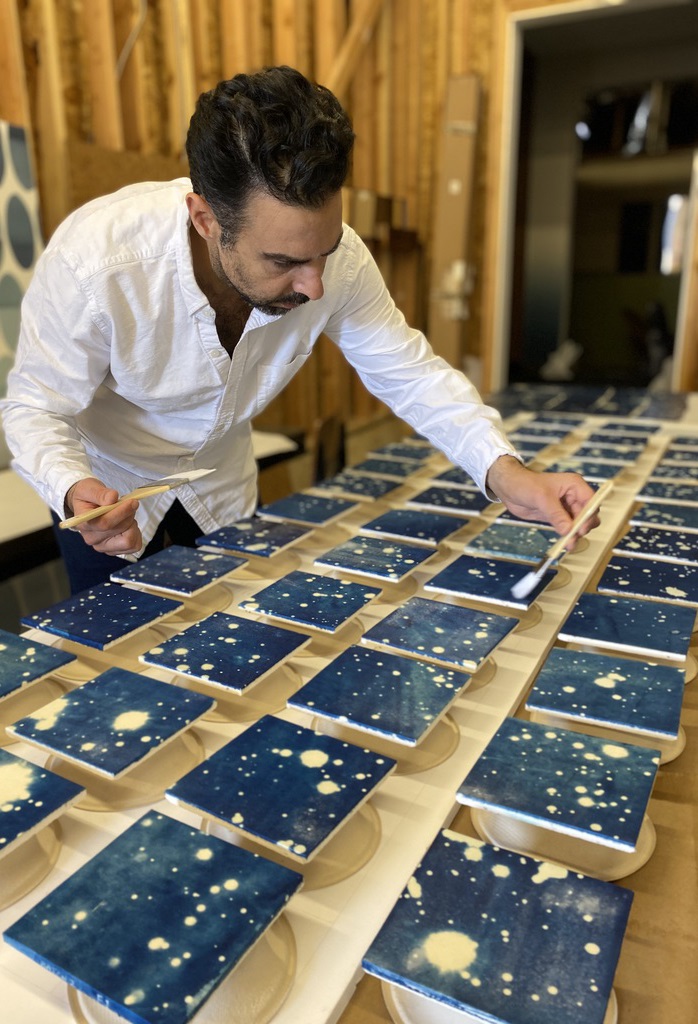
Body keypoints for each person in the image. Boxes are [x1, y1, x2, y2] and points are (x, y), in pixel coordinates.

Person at [1, 65, 597, 595]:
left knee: (230, 658)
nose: (315, 286)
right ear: (206, 219)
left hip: (222, 486)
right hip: (108, 498)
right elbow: (33, 408)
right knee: (117, 680)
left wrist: (508, 473)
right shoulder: (94, 262)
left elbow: (410, 373)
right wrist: (71, 484)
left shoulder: (338, 260)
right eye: (283, 263)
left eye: (326, 253)